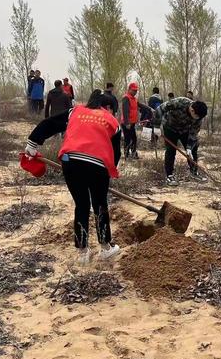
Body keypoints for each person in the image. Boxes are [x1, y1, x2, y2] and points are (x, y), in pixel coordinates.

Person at [25, 92, 121, 264]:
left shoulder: (75, 111)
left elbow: (50, 123)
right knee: (100, 205)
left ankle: (83, 252)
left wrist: (32, 144)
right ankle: (106, 248)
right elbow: (115, 154)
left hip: (71, 162)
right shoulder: (112, 122)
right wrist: (108, 173)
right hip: (97, 165)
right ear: (108, 107)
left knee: (82, 205)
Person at [153, 97, 208, 186]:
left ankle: (194, 172)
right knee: (171, 151)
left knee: (193, 150)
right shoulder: (179, 102)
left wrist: (189, 147)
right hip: (170, 128)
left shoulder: (199, 116)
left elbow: (194, 132)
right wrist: (156, 126)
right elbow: (159, 109)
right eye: (197, 117)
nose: (197, 119)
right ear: (192, 110)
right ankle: (169, 176)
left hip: (185, 130)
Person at [121, 82, 153, 159]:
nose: (135, 92)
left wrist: (149, 108)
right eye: (133, 90)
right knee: (127, 139)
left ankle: (133, 153)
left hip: (132, 123)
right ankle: (126, 155)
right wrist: (127, 123)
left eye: (136, 91)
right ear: (129, 89)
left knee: (134, 139)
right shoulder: (126, 98)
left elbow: (140, 105)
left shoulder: (134, 99)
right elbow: (125, 111)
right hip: (127, 123)